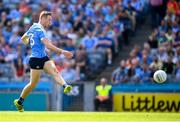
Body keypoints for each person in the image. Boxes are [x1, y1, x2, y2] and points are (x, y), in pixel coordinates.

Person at [14, 11, 73, 112]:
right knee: (33, 84)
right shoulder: (40, 30)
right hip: (35, 59)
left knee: (54, 71)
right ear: (43, 18)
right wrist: (63, 52)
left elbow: (23, 38)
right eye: (49, 20)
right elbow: (48, 46)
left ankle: (65, 85)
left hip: (43, 57)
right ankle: (19, 101)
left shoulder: (33, 27)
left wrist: (32, 44)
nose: (50, 22)